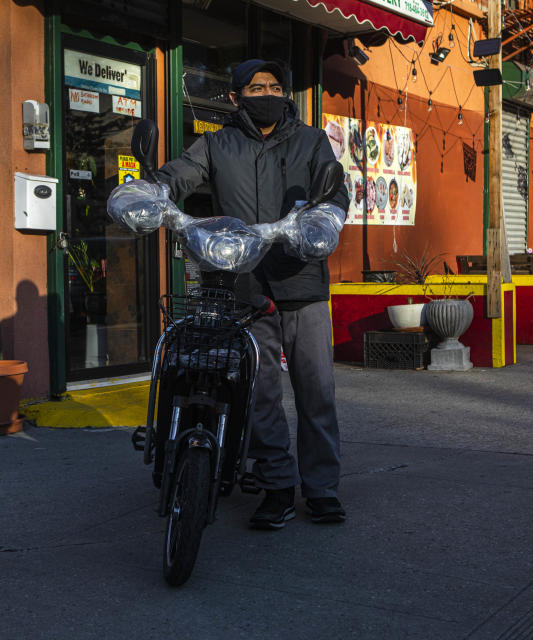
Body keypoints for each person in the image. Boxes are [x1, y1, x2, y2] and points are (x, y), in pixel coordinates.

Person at [155, 59, 350, 529]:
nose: (268, 92)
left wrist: (327, 217)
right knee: (258, 393)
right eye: (256, 86)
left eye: (275, 86)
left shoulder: (311, 140)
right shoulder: (217, 143)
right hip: (244, 285)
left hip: (302, 281)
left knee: (316, 392)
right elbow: (182, 172)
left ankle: (321, 488)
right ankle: (277, 485)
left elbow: (334, 187)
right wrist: (153, 188)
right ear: (237, 96)